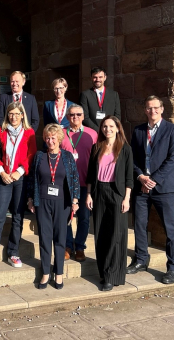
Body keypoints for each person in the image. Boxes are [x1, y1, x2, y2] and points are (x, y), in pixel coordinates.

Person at [127, 95, 174, 285]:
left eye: (156, 108)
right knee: (140, 225)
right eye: (149, 108)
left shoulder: (172, 130)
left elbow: (173, 159)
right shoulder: (139, 131)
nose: (153, 111)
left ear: (162, 109)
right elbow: (132, 158)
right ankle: (141, 259)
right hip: (142, 186)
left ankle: (172, 267)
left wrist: (154, 180)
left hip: (164, 188)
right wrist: (141, 176)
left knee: (170, 228)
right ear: (145, 110)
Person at [0, 102, 36, 273]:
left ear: (22, 115)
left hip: (20, 178)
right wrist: (1, 171)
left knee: (18, 217)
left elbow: (31, 154)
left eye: (17, 114)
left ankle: (13, 252)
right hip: (4, 177)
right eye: (10, 114)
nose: (13, 117)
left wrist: (19, 171)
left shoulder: (29, 133)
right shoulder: (0, 131)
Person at [27, 124, 80, 290]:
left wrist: (75, 201)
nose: (50, 141)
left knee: (60, 238)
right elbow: (32, 179)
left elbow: (74, 179)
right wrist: (30, 199)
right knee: (44, 237)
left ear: (59, 138)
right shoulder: (39, 156)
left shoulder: (67, 157)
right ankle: (45, 273)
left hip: (62, 202)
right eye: (48, 138)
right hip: (42, 201)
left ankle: (59, 273)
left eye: (53, 137)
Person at [86, 116, 133, 291]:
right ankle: (104, 272)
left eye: (111, 126)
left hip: (117, 193)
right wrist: (89, 194)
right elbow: (91, 174)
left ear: (118, 128)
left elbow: (129, 177)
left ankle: (113, 275)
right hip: (99, 192)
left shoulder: (125, 149)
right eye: (105, 126)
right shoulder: (96, 147)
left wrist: (127, 198)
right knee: (100, 233)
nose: (108, 129)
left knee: (116, 235)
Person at [60, 104, 97, 262]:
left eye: (78, 114)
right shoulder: (61, 133)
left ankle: (80, 246)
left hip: (85, 183)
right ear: (67, 117)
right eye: (72, 115)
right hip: (65, 183)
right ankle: (68, 245)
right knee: (66, 216)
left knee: (83, 217)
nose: (75, 117)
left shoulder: (92, 134)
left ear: (83, 116)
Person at [79, 67, 121, 132]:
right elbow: (85, 117)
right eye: (95, 77)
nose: (97, 79)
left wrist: (110, 129)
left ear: (105, 77)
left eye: (100, 77)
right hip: (92, 132)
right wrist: (99, 130)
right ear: (91, 78)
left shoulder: (114, 95)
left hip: (110, 132)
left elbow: (117, 115)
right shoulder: (85, 95)